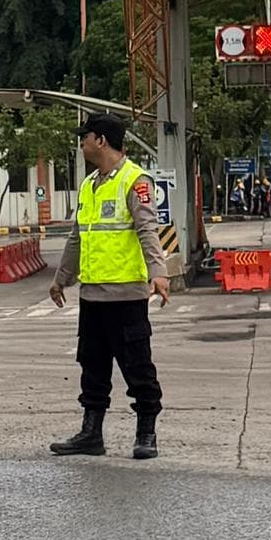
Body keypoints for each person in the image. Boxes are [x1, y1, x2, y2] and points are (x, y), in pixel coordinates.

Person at [47, 106, 172, 459]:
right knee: (92, 367)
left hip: (126, 296)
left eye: (84, 138)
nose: (81, 145)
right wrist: (61, 279)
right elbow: (77, 237)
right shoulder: (89, 186)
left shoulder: (135, 181)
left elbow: (148, 229)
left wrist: (158, 272)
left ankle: (146, 434)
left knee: (138, 368)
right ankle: (91, 434)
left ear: (100, 140)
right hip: (92, 297)